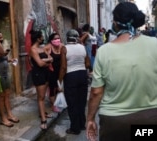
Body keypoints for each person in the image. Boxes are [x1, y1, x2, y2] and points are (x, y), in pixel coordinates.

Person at [86, 2, 157, 141]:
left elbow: (96, 92)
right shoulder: (154, 44)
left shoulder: (104, 52)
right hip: (150, 119)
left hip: (115, 123)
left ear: (116, 23)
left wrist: (90, 119)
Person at [58, 29, 89, 135]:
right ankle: (82, 124)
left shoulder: (64, 48)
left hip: (71, 76)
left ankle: (75, 128)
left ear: (67, 38)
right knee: (81, 101)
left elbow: (63, 67)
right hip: (82, 75)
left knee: (72, 103)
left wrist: (59, 81)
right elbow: (88, 63)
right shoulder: (82, 47)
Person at [29, 30, 53, 130]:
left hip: (46, 73)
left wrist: (45, 61)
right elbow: (39, 64)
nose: (43, 38)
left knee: (43, 96)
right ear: (38, 38)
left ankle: (43, 113)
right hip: (38, 74)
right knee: (41, 97)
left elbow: (51, 58)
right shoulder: (33, 49)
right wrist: (45, 61)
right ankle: (43, 119)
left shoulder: (42, 48)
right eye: (42, 36)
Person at [0, 31, 20, 127]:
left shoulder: (0, 46)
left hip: (5, 74)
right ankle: (3, 117)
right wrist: (2, 54)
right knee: (1, 97)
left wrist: (10, 59)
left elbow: (3, 58)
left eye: (2, 37)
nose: (1, 38)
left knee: (7, 94)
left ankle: (9, 114)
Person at [44, 32, 63, 113]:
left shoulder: (62, 46)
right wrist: (48, 58)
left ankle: (58, 102)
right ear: (51, 40)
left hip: (60, 71)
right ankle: (53, 105)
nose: (57, 40)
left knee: (59, 88)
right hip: (51, 71)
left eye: (58, 38)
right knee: (52, 88)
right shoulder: (48, 47)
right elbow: (43, 56)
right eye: (55, 39)